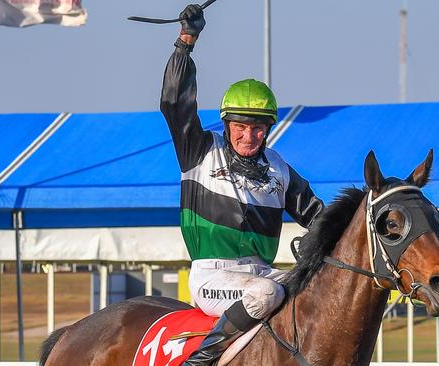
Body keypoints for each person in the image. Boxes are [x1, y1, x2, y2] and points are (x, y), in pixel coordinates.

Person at [160, 4, 324, 365]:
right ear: (227, 125)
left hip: (263, 273)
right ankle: (202, 358)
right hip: (213, 278)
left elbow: (319, 217)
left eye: (257, 128)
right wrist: (185, 42)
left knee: (315, 288)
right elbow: (174, 102)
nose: (248, 136)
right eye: (240, 127)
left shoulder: (279, 168)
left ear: (267, 130)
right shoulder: (199, 149)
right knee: (266, 293)